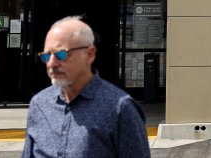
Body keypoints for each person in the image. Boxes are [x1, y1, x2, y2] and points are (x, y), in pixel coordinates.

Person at [22, 16, 150, 157]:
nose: (52, 64)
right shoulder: (39, 104)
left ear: (90, 54)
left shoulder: (121, 109)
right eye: (46, 56)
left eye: (61, 54)